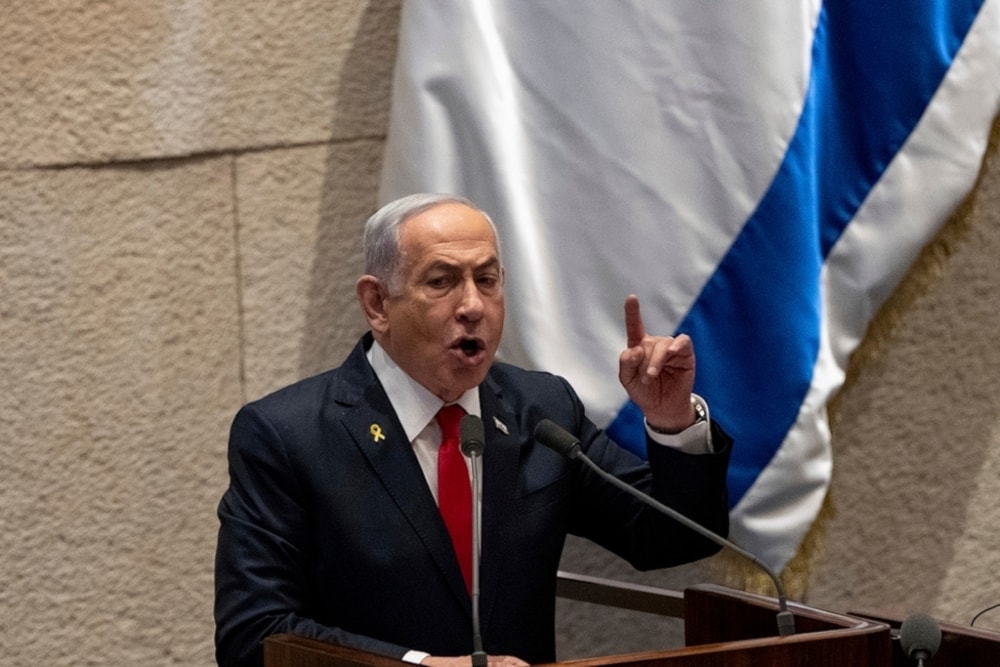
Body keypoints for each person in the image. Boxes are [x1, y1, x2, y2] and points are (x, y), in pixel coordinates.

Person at [214, 193, 733, 667]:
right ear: (377, 303)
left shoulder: (542, 408)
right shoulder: (288, 436)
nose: (472, 306)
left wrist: (671, 421)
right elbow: (255, 635)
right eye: (441, 282)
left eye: (487, 280)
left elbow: (674, 538)